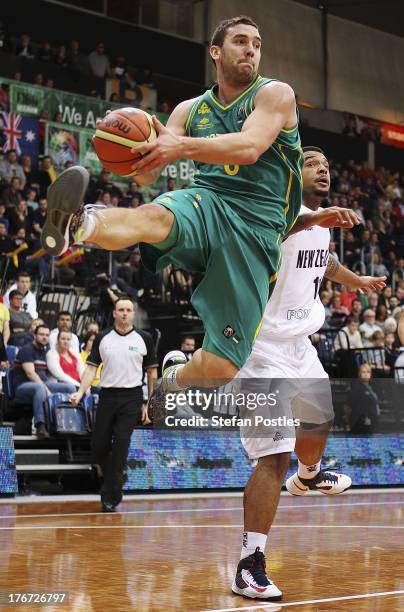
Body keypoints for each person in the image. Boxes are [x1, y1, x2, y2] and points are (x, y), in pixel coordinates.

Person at [42, 16, 358, 404]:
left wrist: (179, 147)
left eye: (257, 45)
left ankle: (175, 376)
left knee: (222, 367)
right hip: (209, 201)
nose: (251, 50)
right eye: (241, 42)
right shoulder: (190, 110)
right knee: (155, 216)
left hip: (257, 229)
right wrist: (133, 151)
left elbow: (248, 147)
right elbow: (146, 178)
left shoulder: (275, 94)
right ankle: (76, 225)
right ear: (215, 52)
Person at [230, 146, 385, 601]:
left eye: (327, 164)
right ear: (293, 174)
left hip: (300, 345)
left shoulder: (320, 223)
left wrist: (356, 281)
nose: (324, 169)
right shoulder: (277, 208)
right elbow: (283, 229)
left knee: (318, 426)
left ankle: (311, 475)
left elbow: (323, 261)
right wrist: (319, 219)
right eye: (313, 163)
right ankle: (248, 565)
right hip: (260, 347)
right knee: (273, 455)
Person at [70, 298, 158, 512]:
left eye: (129, 310)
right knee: (98, 446)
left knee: (120, 445)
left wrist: (150, 403)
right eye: (121, 310)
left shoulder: (144, 338)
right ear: (114, 313)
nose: (125, 313)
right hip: (107, 395)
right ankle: (118, 475)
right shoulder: (102, 337)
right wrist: (80, 392)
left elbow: (152, 373)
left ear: (133, 313)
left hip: (132, 397)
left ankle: (110, 496)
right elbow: (91, 369)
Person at [13, 325, 76, 438]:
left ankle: (67, 423)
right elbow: (30, 374)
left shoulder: (44, 351)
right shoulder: (27, 350)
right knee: (40, 388)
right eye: (41, 334)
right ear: (34, 335)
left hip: (42, 384)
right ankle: (40, 426)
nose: (44, 337)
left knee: (70, 388)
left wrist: (51, 385)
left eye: (47, 335)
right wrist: (47, 389)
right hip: (22, 386)